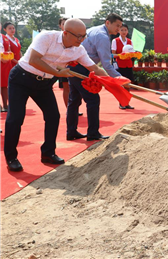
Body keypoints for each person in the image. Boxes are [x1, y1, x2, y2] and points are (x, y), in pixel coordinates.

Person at [3, 18, 109, 172]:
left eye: (84, 36)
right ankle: (11, 157)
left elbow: (94, 68)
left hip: (44, 83)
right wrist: (58, 72)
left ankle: (48, 152)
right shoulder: (47, 37)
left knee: (53, 116)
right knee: (16, 117)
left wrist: (112, 81)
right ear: (65, 33)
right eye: (78, 36)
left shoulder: (79, 49)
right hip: (22, 78)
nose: (81, 40)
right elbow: (34, 60)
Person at [67, 13, 124, 141]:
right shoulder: (103, 36)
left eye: (120, 26)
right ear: (108, 23)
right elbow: (106, 65)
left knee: (74, 100)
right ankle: (92, 132)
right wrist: (120, 79)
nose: (118, 29)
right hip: (82, 67)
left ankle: (71, 131)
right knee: (93, 100)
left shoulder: (93, 30)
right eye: (117, 26)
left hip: (73, 65)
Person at [111, 23, 135, 110]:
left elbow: (132, 53)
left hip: (128, 65)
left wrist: (133, 54)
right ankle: (121, 103)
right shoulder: (115, 41)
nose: (124, 32)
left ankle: (127, 103)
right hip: (120, 65)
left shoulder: (130, 41)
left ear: (127, 31)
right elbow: (112, 55)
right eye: (122, 30)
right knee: (121, 85)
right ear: (119, 31)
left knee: (128, 85)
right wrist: (121, 55)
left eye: (125, 30)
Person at [1, 22, 22, 112]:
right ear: (5, 29)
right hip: (10, 63)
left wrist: (21, 61)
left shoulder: (5, 38)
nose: (12, 30)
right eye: (10, 28)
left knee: (7, 85)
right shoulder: (7, 38)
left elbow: (10, 50)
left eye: (13, 28)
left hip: (7, 63)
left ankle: (9, 104)